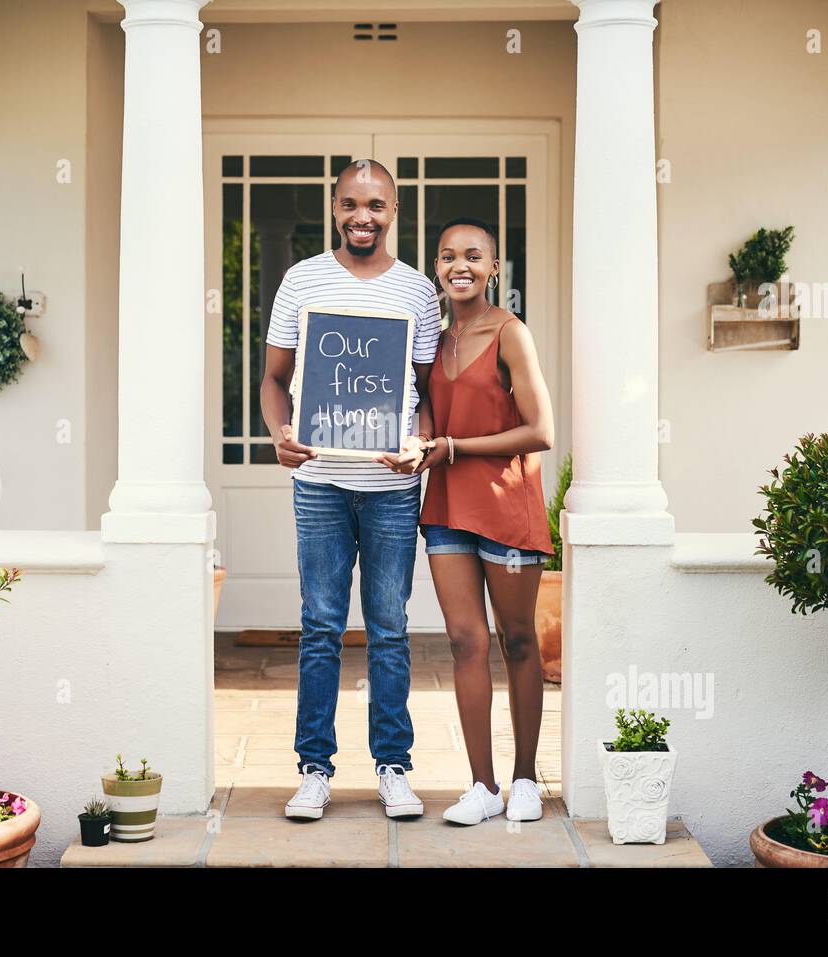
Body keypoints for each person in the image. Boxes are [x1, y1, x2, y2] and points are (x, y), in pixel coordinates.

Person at [260, 159, 441, 821]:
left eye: (375, 205)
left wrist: (420, 443)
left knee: (390, 630)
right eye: (350, 204)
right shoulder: (302, 279)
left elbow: (427, 393)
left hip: (392, 488)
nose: (362, 216)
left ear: (394, 211)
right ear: (333, 206)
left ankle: (393, 766)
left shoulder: (417, 291)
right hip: (320, 484)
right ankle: (314, 769)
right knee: (320, 628)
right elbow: (273, 380)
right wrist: (280, 433)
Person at [378, 216, 555, 825]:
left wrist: (454, 448)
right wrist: (419, 442)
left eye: (473, 256)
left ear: (494, 268)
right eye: (448, 255)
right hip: (447, 506)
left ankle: (526, 779)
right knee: (463, 640)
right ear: (436, 267)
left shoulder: (511, 332)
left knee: (519, 638)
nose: (461, 265)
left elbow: (541, 431)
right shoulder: (434, 340)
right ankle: (482, 786)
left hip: (505, 503)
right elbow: (429, 408)